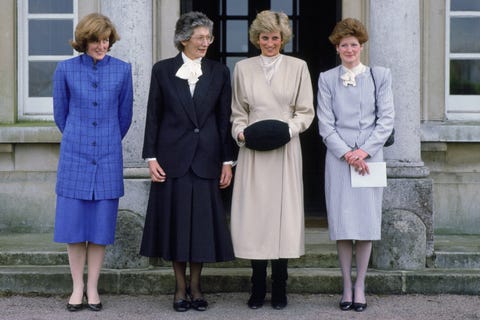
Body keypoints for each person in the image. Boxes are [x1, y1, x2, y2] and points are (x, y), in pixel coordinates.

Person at [139, 11, 235, 312]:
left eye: (209, 37)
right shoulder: (162, 70)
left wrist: (227, 160)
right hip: (172, 160)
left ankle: (197, 287)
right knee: (177, 227)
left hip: (206, 159)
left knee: (201, 228)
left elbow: (224, 119)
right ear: (184, 39)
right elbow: (154, 114)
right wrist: (151, 157)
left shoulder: (219, 72)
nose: (206, 42)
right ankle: (180, 289)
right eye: (200, 37)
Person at [230, 10, 315, 310]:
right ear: (256, 39)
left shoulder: (298, 67)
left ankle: (280, 285)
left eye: (275, 37)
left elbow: (305, 110)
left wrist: (287, 130)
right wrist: (240, 134)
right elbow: (238, 112)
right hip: (252, 150)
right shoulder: (242, 68)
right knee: (256, 217)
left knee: (283, 217)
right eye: (264, 37)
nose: (270, 42)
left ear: (283, 39)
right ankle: (256, 286)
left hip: (285, 149)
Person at [52, 13, 133, 312]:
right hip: (74, 158)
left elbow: (124, 117)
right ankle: (76, 289)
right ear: (84, 41)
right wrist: (80, 139)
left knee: (100, 229)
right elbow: (62, 115)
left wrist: (106, 141)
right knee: (74, 229)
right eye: (96, 40)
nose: (102, 45)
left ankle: (93, 288)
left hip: (108, 159)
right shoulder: (65, 70)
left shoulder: (123, 71)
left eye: (106, 40)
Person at [316, 18, 395, 312]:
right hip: (339, 160)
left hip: (370, 159)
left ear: (361, 46)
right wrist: (348, 154)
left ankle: (360, 284)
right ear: (337, 49)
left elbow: (386, 119)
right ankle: (345, 286)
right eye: (343, 45)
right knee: (342, 224)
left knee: (365, 223)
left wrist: (363, 152)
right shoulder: (326, 79)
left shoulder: (380, 76)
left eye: (354, 44)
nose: (349, 49)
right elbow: (325, 124)